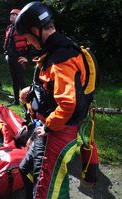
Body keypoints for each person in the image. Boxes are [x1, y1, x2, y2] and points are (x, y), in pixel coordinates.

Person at [15, 2, 96, 198]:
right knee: (25, 170)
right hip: (49, 125)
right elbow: (53, 86)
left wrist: (48, 127)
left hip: (57, 131)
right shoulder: (57, 50)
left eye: (27, 37)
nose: (28, 42)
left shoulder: (62, 58)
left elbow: (68, 104)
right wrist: (31, 91)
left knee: (45, 192)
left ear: (36, 30)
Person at [4, 9, 29, 105]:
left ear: (19, 16)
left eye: (15, 14)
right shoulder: (9, 28)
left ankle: (26, 103)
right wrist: (6, 54)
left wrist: (28, 58)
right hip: (10, 57)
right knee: (14, 80)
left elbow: (31, 44)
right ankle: (16, 101)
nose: (12, 16)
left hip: (19, 58)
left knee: (21, 81)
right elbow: (7, 43)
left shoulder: (23, 28)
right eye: (11, 14)